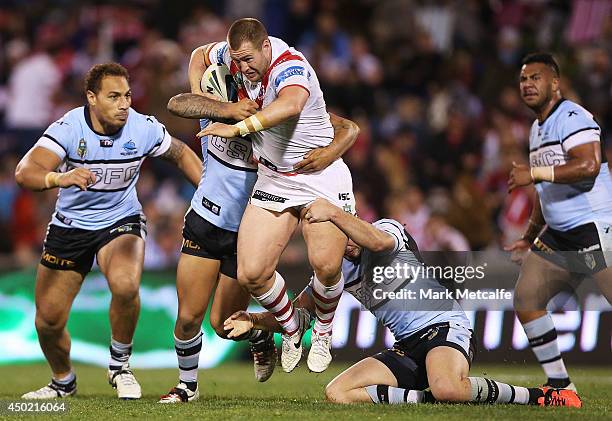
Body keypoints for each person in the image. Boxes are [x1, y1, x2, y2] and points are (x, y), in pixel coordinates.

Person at [224, 199, 582, 408]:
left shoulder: (386, 228)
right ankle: (426, 401)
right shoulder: (334, 273)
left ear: (349, 221)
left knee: (447, 387)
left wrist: (334, 214)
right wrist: (255, 322)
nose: (344, 245)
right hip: (407, 347)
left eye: (344, 233)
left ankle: (541, 396)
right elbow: (301, 314)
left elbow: (378, 243)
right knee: (338, 392)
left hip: (444, 327)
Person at [157, 64, 360, 402]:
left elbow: (348, 128)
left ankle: (261, 334)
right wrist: (225, 109)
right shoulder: (215, 107)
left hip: (249, 232)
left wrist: (329, 153)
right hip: (206, 221)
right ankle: (187, 386)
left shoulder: (279, 111)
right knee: (189, 317)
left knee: (223, 324)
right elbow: (179, 100)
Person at [14, 63, 202, 400]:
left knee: (127, 285)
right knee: (48, 323)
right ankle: (63, 381)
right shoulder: (69, 128)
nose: (124, 104)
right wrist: (60, 177)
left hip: (121, 220)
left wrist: (206, 195)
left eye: (127, 95)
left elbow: (181, 153)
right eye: (113, 97)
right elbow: (25, 171)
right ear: (92, 98)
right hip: (70, 228)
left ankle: (120, 367)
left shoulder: (142, 128)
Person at [194, 18, 355, 373]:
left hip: (319, 175)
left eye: (249, 60)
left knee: (327, 267)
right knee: (251, 273)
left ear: (266, 47)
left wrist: (238, 126)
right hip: (274, 178)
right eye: (237, 60)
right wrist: (208, 101)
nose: (243, 68)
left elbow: (292, 104)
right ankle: (293, 327)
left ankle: (324, 330)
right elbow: (198, 57)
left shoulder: (290, 65)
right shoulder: (235, 54)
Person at [506, 53, 612, 390]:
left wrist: (534, 172)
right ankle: (561, 387)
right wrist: (529, 235)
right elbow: (545, 190)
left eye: (535, 78)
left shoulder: (572, 116)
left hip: (593, 226)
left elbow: (589, 165)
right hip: (560, 233)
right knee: (526, 299)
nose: (527, 85)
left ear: (555, 83)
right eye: (523, 79)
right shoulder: (537, 129)